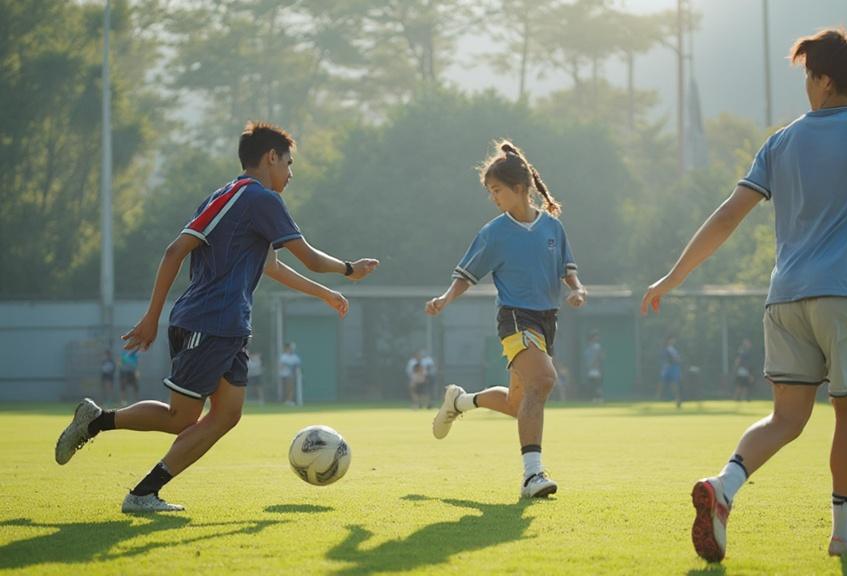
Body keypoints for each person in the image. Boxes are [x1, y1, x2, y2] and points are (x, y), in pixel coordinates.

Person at [640, 29, 847, 561]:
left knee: (786, 419)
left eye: (809, 75)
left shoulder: (780, 142)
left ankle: (724, 486)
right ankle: (843, 534)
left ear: (826, 81)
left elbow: (727, 215)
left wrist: (672, 277)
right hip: (844, 297)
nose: (806, 85)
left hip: (785, 299)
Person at [54, 121, 379, 513]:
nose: (291, 173)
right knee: (180, 417)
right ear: (270, 157)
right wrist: (349, 269)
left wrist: (324, 293)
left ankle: (144, 492)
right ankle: (96, 423)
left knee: (226, 415)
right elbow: (177, 251)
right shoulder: (258, 198)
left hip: (228, 325)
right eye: (289, 163)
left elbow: (271, 266)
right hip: (209, 321)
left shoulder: (231, 196)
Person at [425, 140, 586, 498]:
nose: (493, 197)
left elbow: (568, 270)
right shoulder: (493, 232)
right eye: (490, 191)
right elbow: (466, 275)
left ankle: (460, 402)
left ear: (520, 188)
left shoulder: (552, 228)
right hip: (515, 318)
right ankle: (532, 475)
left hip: (547, 321)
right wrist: (445, 299)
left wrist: (577, 289)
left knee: (519, 403)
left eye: (496, 190)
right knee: (543, 380)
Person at [657, 335, 684, 408]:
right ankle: (657, 398)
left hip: (674, 368)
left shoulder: (674, 349)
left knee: (674, 384)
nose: (673, 341)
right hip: (667, 368)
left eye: (673, 339)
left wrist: (678, 360)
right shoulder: (666, 349)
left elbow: (677, 358)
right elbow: (670, 358)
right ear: (668, 340)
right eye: (671, 339)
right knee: (662, 383)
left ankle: (677, 400)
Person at [583, 330, 605, 403]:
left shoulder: (597, 346)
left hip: (596, 369)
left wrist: (596, 363)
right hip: (591, 369)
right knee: (593, 385)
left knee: (597, 384)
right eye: (595, 336)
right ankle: (595, 398)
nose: (597, 338)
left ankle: (599, 398)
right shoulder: (590, 347)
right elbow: (587, 358)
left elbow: (601, 357)